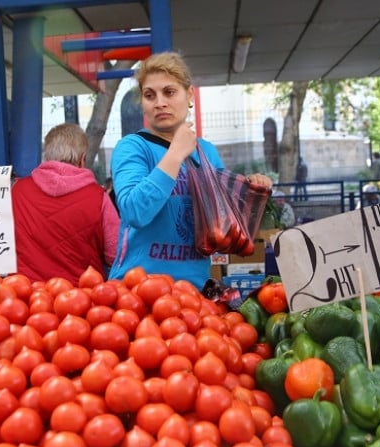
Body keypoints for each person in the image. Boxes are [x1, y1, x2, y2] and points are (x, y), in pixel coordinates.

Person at [108, 51, 273, 288]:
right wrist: (175, 154)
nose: (160, 103)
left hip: (193, 292)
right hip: (138, 292)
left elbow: (220, 225)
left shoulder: (206, 152)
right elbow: (134, 211)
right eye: (149, 95)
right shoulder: (133, 147)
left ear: (189, 95)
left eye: (169, 92)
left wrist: (250, 192)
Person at [12, 123, 120, 285]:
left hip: (27, 298)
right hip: (83, 299)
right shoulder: (98, 198)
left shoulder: (17, 192)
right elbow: (115, 255)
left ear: (47, 156)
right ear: (83, 159)